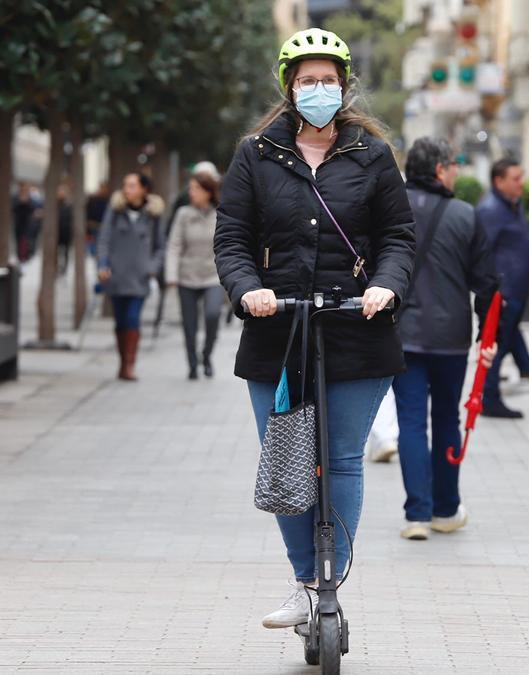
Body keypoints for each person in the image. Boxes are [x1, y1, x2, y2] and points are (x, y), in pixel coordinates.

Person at [214, 27, 414, 630]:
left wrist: (387, 285)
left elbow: (399, 238)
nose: (319, 89)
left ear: (344, 85)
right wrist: (248, 289)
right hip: (280, 332)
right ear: (289, 87)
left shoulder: (371, 154)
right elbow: (232, 239)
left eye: (328, 80)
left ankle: (332, 583)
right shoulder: (256, 153)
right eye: (308, 81)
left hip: (358, 325)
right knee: (288, 460)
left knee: (344, 461)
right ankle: (305, 583)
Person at [393, 137, 499, 541]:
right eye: (453, 164)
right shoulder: (465, 215)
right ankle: (445, 508)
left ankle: (416, 515)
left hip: (402, 334)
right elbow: (487, 283)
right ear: (440, 168)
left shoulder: (391, 209)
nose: (456, 171)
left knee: (411, 422)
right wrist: (490, 335)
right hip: (452, 337)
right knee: (446, 419)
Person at [477, 157, 529, 419]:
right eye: (516, 178)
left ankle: (526, 366)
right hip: (503, 291)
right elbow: (483, 251)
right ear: (499, 181)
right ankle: (490, 399)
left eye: (522, 176)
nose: (521, 183)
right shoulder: (490, 210)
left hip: (517, 287)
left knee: (507, 338)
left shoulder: (514, 205)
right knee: (497, 346)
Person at [97, 172, 166, 381]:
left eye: (132, 185)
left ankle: (129, 365)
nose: (127, 189)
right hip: (116, 275)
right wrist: (103, 264)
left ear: (144, 189)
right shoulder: (115, 210)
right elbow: (104, 240)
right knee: (119, 322)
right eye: (126, 185)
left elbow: (160, 247)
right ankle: (122, 362)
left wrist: (152, 267)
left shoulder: (153, 214)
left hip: (140, 277)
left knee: (132, 318)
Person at [165, 170, 223, 380]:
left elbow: (227, 245)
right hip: (186, 277)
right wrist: (171, 276)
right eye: (190, 189)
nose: (192, 193)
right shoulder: (183, 215)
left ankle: (206, 355)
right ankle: (192, 363)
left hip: (212, 276)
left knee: (212, 314)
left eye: (196, 189)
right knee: (189, 324)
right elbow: (174, 245)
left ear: (208, 192)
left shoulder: (220, 214)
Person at [13, 182, 42, 263]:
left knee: (28, 244)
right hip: (19, 225)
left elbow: (35, 210)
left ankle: (26, 258)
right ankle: (20, 258)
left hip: (28, 226)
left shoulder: (32, 200)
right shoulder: (16, 198)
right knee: (19, 244)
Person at [86, 181, 110, 258]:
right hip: (94, 226)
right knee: (94, 247)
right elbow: (88, 213)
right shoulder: (93, 200)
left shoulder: (107, 201)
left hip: (104, 226)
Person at [57, 183, 73, 275]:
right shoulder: (56, 205)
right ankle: (58, 267)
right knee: (58, 252)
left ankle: (64, 269)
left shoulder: (69, 205)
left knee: (66, 252)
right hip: (57, 233)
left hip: (66, 232)